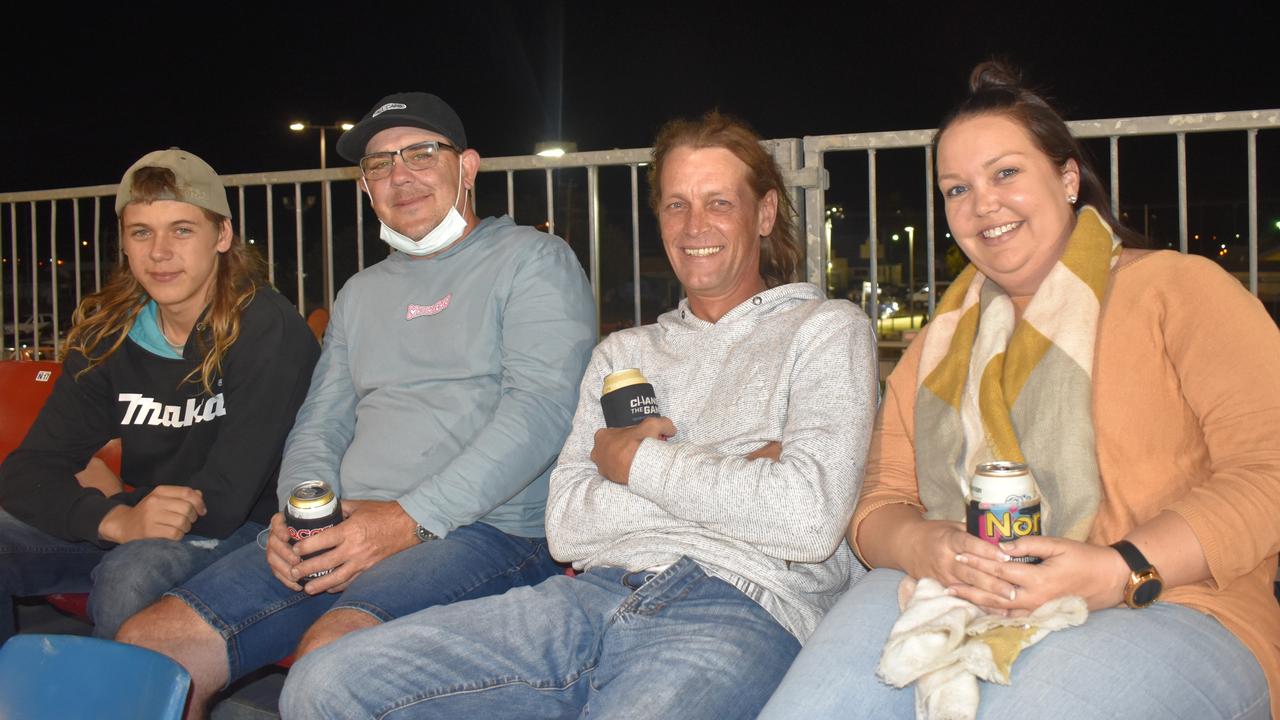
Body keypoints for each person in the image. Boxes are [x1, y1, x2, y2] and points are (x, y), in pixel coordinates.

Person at [278, 111, 880, 720]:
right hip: (590, 596)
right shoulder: (624, 352)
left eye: (719, 201)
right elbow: (567, 524)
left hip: (741, 607)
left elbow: (807, 519)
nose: (695, 225)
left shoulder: (827, 330)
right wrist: (738, 476)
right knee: (325, 683)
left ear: (766, 213)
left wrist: (635, 461)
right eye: (675, 205)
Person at [760, 61, 1278, 720]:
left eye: (1005, 173)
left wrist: (1117, 568)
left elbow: (1269, 468)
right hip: (952, 592)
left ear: (1066, 178)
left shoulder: (1178, 290)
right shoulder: (940, 343)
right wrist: (924, 545)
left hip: (1173, 600)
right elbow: (879, 498)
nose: (982, 205)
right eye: (956, 189)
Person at [116, 92, 596, 717]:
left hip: (487, 531)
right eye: (378, 164)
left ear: (468, 168)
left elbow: (541, 413)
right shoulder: (361, 292)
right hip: (346, 526)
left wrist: (407, 518)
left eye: (421, 153)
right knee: (148, 647)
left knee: (332, 658)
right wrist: (302, 515)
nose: (400, 174)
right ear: (366, 186)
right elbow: (322, 419)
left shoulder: (534, 261)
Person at [0, 148, 319, 642]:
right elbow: (28, 470)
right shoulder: (110, 336)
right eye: (141, 232)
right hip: (140, 524)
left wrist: (128, 514)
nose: (160, 252)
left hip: (248, 532)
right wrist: (113, 518)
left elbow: (228, 497)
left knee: (132, 574)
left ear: (223, 236)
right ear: (125, 244)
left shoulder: (266, 330)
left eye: (182, 230)